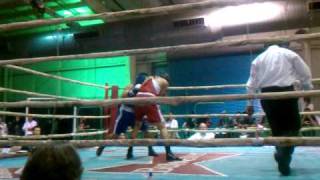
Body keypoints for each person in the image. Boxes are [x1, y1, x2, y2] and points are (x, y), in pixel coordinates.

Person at [246, 43, 313, 176]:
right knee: (293, 129)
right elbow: (305, 73)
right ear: (284, 45)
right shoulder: (289, 54)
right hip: (286, 94)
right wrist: (307, 90)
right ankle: (282, 154)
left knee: (278, 130)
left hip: (266, 96)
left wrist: (249, 103)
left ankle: (281, 150)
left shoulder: (258, 59)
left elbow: (251, 83)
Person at [96, 73, 158, 159]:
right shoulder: (130, 86)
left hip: (137, 113)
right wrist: (132, 92)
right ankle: (103, 145)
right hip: (126, 112)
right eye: (145, 79)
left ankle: (147, 149)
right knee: (115, 135)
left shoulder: (146, 89)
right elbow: (123, 96)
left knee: (146, 131)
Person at [132, 75, 182, 161]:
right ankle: (169, 153)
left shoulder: (150, 77)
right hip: (149, 97)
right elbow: (160, 96)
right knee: (162, 127)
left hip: (138, 97)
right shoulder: (165, 82)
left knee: (137, 125)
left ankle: (129, 151)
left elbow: (142, 87)